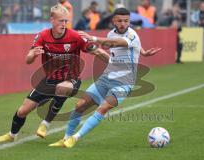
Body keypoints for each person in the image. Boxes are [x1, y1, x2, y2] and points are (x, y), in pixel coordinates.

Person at [49, 8, 161, 148]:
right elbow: (114, 44)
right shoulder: (111, 33)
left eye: (126, 21)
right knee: (79, 105)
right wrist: (143, 52)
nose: (123, 23)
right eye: (119, 20)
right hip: (107, 77)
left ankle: (75, 138)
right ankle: (65, 138)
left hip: (124, 81)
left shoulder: (132, 35)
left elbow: (117, 43)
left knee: (103, 108)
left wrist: (94, 38)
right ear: (113, 21)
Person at [0, 4, 95, 143]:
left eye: (66, 21)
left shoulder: (75, 36)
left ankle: (45, 123)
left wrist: (99, 49)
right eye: (61, 21)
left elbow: (92, 49)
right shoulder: (42, 36)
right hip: (49, 79)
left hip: (71, 79)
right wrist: (32, 55)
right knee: (22, 111)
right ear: (52, 20)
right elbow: (28, 59)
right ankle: (12, 135)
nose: (64, 24)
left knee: (63, 88)